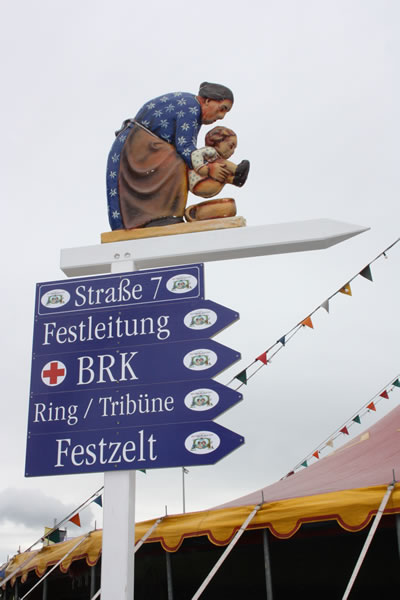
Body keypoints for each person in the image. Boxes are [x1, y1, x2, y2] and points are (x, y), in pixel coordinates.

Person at [106, 82, 234, 230]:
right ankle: (162, 217)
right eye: (222, 108)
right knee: (178, 163)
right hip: (140, 146)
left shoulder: (191, 106)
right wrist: (207, 170)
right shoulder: (191, 108)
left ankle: (161, 216)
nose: (221, 116)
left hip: (146, 146)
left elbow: (189, 151)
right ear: (208, 100)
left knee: (179, 162)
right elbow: (185, 148)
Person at [188, 126, 250, 198]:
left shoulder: (215, 159)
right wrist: (200, 167)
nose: (232, 151)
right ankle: (238, 170)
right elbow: (195, 154)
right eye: (231, 146)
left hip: (208, 184)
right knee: (221, 163)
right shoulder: (211, 151)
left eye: (234, 149)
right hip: (199, 182)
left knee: (223, 170)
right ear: (218, 141)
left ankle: (234, 180)